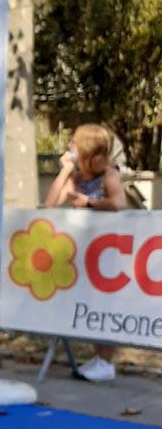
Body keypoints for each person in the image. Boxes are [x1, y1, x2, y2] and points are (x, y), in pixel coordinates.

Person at [45, 123, 127, 383]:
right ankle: (98, 358)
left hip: (108, 251)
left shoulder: (108, 175)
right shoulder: (78, 177)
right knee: (91, 302)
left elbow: (118, 203)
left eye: (74, 142)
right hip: (83, 250)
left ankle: (106, 361)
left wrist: (89, 202)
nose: (70, 146)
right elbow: (50, 203)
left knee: (105, 304)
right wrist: (65, 170)